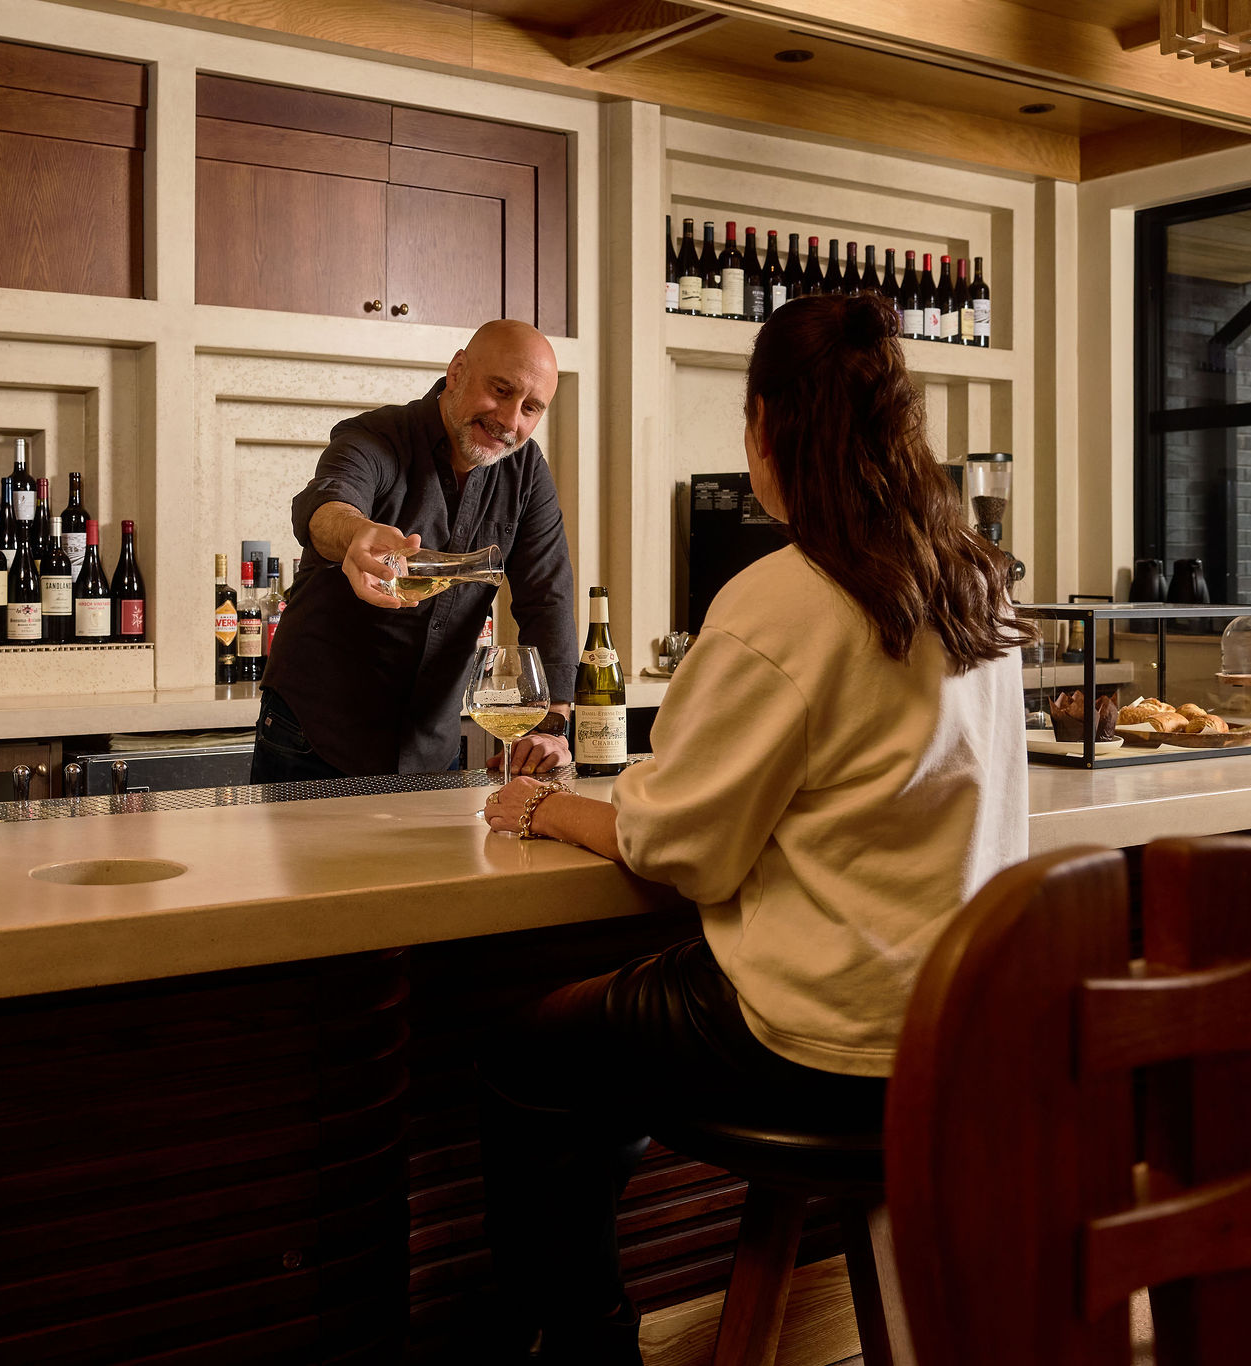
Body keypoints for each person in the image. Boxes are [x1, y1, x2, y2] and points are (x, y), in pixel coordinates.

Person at [472, 292, 1030, 1363]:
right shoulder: (968, 576)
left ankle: (583, 1337)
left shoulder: (781, 594)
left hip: (821, 1034)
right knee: (604, 1049)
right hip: (955, 1029)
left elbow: (684, 847)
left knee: (525, 1054)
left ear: (765, 427)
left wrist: (544, 806)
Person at [254, 320, 577, 781]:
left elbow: (548, 596)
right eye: (501, 390)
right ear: (458, 369)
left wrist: (552, 728)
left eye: (531, 407)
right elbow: (326, 503)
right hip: (314, 736)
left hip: (432, 744)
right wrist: (356, 535)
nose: (510, 420)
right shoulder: (377, 436)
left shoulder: (525, 471)